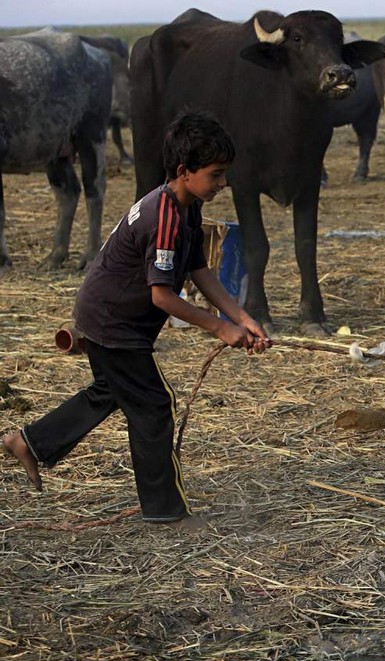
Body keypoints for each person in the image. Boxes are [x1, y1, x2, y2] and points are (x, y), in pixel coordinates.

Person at [2, 112, 271, 529]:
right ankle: (165, 512)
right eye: (216, 174)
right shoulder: (163, 219)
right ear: (184, 171)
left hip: (108, 316)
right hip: (115, 325)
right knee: (153, 405)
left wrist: (240, 316)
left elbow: (198, 269)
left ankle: (30, 443)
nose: (223, 183)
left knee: (110, 391)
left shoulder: (186, 205)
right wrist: (219, 327)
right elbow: (162, 296)